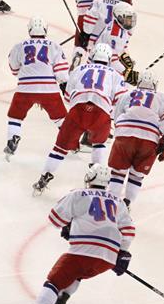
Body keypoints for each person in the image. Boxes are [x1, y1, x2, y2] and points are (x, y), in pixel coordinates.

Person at [17, 164, 135, 304]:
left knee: (56, 279)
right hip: (107, 257)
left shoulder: (78, 194)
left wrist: (69, 225)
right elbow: (128, 231)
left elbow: (55, 219)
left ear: (90, 178)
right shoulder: (118, 202)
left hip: (83, 252)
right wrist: (122, 252)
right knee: (76, 274)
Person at [32, 43, 127, 196]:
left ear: (92, 56)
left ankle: (44, 177)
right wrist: (112, 116)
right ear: (108, 59)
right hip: (101, 112)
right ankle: (98, 178)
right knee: (99, 144)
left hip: (78, 110)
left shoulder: (79, 69)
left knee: (60, 149)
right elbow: (120, 100)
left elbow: (68, 96)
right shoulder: (115, 74)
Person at [4, 17, 69, 161]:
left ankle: (12, 137)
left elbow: (14, 69)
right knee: (60, 119)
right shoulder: (54, 46)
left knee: (15, 117)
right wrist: (62, 83)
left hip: (25, 88)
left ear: (29, 30)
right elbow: (62, 73)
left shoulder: (19, 46)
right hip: (49, 90)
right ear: (45, 29)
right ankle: (72, 143)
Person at [108, 70, 164, 208]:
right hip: (148, 139)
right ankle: (126, 204)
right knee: (137, 175)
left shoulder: (127, 94)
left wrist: (122, 129)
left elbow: (116, 115)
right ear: (155, 84)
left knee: (118, 173)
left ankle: (111, 204)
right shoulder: (162, 97)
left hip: (124, 135)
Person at [85, 0, 138, 84]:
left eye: (131, 19)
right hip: (97, 68)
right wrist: (127, 73)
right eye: (127, 19)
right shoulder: (114, 34)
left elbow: (122, 47)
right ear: (119, 17)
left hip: (101, 64)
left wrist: (125, 57)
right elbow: (112, 62)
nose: (130, 22)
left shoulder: (120, 26)